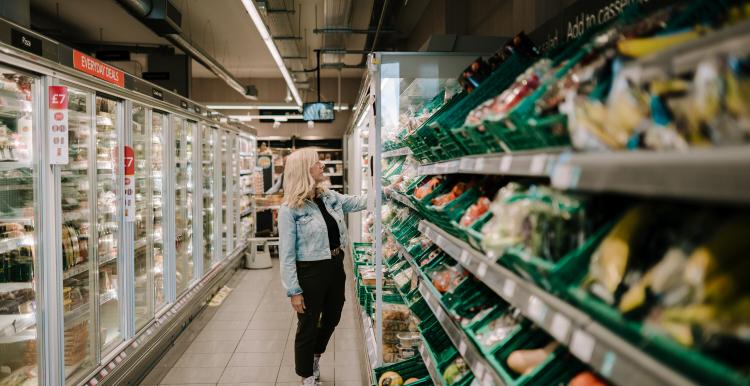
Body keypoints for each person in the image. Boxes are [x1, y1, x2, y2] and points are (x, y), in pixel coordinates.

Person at [278, 148, 367, 386]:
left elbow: (358, 202)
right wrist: (294, 291)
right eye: (317, 162)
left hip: (335, 265)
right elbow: (286, 255)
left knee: (333, 316)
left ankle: (316, 356)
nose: (322, 165)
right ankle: (306, 374)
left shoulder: (329, 197)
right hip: (310, 271)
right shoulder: (289, 209)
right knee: (307, 323)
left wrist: (389, 192)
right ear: (304, 169)